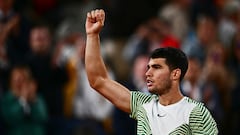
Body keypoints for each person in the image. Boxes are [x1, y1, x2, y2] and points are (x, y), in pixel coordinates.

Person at [85, 9, 218, 135]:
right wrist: (92, 35)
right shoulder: (142, 105)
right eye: (148, 67)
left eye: (157, 68)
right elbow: (98, 80)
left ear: (175, 74)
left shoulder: (196, 112)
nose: (147, 73)